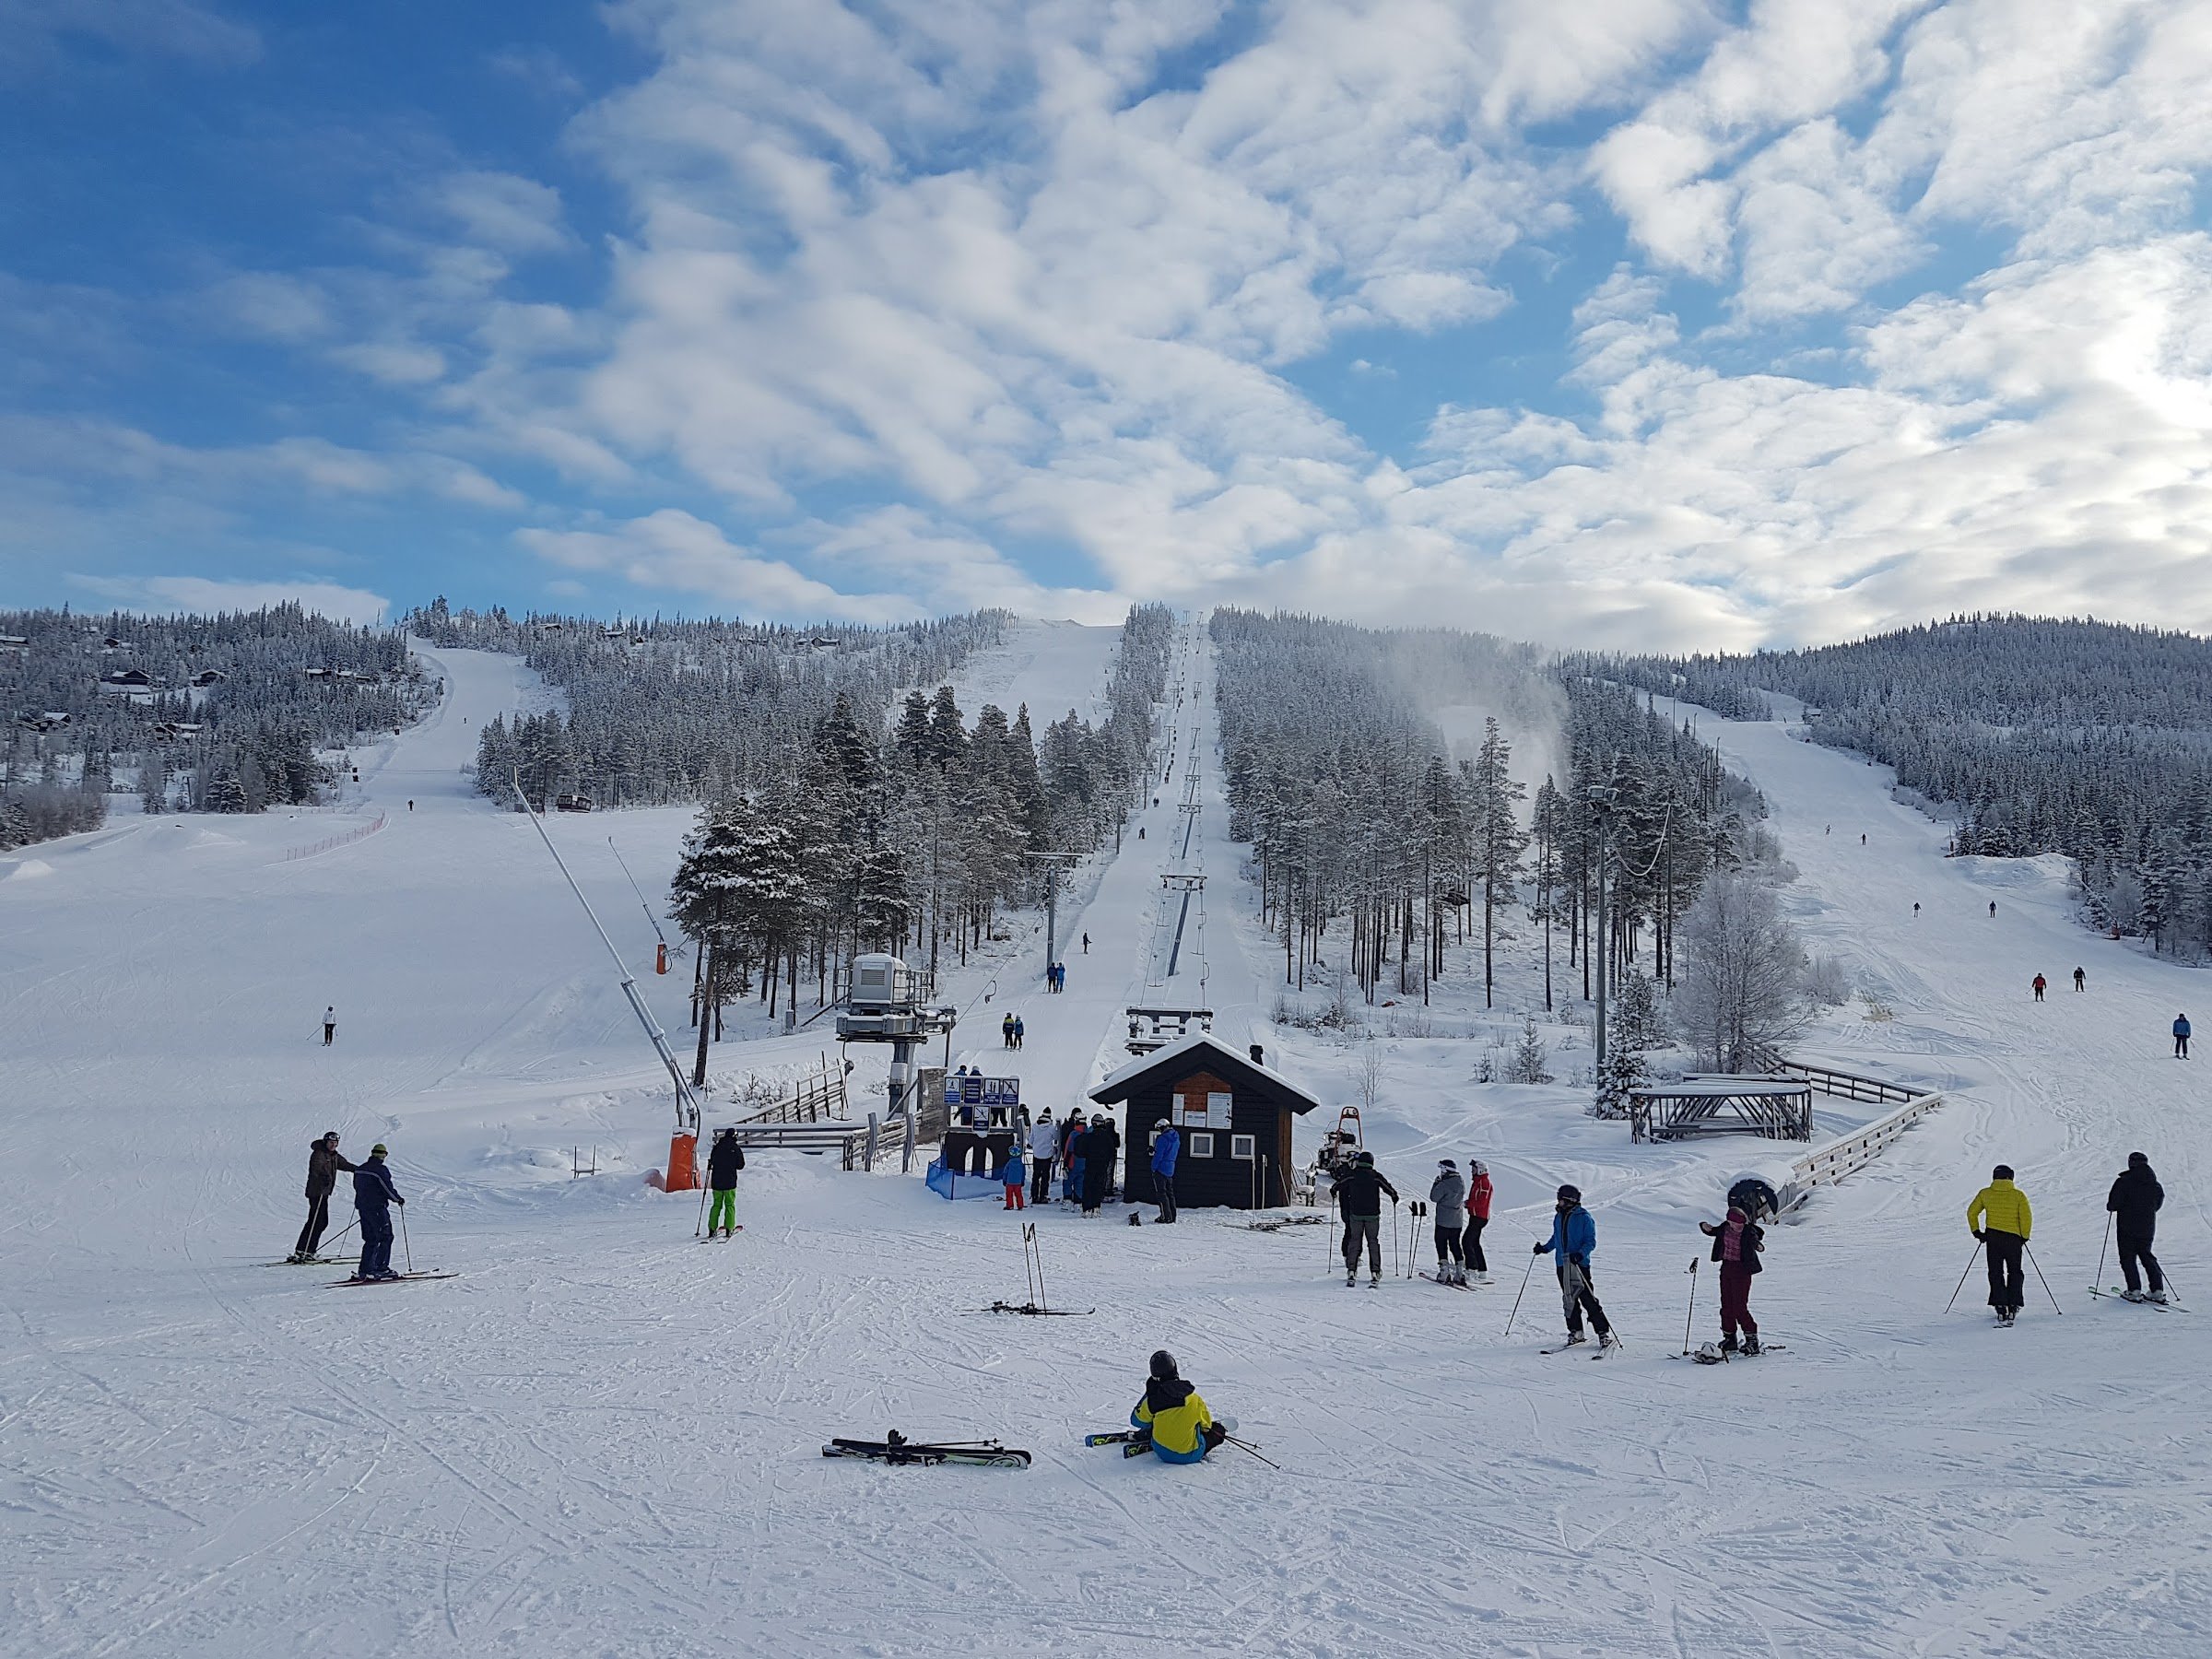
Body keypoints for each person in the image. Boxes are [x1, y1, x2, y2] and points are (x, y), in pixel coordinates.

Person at [1534, 1184, 1615, 1348]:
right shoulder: (1559, 1217)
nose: (1558, 1202)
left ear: (1569, 1200)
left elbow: (1590, 1241)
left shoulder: (1584, 1217)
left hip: (1578, 1265)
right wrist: (1544, 1248)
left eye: (1561, 1199)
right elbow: (1556, 1237)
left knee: (1588, 1299)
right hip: (1561, 1264)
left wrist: (1580, 1254)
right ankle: (1576, 1331)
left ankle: (1603, 1332)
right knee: (1569, 1300)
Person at [1131, 1349, 1224, 1464]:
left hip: (1161, 1451)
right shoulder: (1194, 1399)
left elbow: (1136, 1421)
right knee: (1217, 1431)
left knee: (1154, 1419)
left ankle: (1153, 1436)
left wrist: (1149, 1393)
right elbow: (1206, 1427)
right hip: (1190, 1455)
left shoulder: (1154, 1400)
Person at [1968, 1164, 2031, 1324]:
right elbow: (2026, 1217)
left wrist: (1977, 1232)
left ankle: (2000, 1304)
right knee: (2015, 1272)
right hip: (2014, 1239)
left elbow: (1971, 1212)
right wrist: (2024, 1236)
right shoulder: (2018, 1196)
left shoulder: (1985, 1194)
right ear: (2011, 1177)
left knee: (1995, 1272)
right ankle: (2014, 1303)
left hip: (1993, 1238)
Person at [1699, 1203, 1765, 1354]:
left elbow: (1754, 1240)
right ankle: (1730, 1338)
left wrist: (1758, 1246)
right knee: (1726, 1305)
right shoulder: (1725, 1228)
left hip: (1742, 1270)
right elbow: (1713, 1232)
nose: (1737, 1227)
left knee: (1740, 1307)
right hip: (1727, 1267)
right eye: (1734, 1223)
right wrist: (1705, 1226)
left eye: (1740, 1224)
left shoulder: (1748, 1231)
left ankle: (1752, 1340)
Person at [2107, 1152, 2166, 1303]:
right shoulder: (2155, 1184)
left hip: (2126, 1226)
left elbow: (2113, 1204)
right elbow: (2157, 1204)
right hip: (2147, 1226)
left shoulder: (2124, 1181)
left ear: (2131, 1163)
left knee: (2128, 1258)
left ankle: (2134, 1290)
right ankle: (2157, 1290)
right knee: (2147, 1255)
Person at [1334, 1150, 1397, 1287]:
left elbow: (1337, 1186)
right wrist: (1394, 1196)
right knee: (1373, 1242)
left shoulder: (1352, 1175)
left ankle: (1351, 1270)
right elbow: (1389, 1189)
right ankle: (1375, 1271)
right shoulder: (1375, 1176)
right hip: (1372, 1215)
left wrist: (1334, 1191)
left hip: (1355, 1214)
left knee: (1355, 1241)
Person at [291, 1131, 357, 1262]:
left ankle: (305, 1250)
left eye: (336, 1143)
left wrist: (360, 1170)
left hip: (324, 1193)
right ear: (325, 1142)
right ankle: (305, 1251)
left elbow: (345, 1165)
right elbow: (316, 1168)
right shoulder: (319, 1154)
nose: (334, 1145)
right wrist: (324, 1177)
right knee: (318, 1221)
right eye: (331, 1142)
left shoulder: (333, 1155)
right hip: (317, 1192)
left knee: (318, 1221)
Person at [352, 1144, 404, 1280]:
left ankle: (365, 1269)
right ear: (383, 1155)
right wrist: (397, 1199)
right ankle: (380, 1268)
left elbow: (356, 1187)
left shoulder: (360, 1169)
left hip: (363, 1207)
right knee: (385, 1236)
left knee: (370, 1238)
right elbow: (387, 1188)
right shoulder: (380, 1170)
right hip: (377, 1208)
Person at [1429, 1159, 1467, 1283]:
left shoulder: (1445, 1184)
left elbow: (1434, 1197)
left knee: (1441, 1243)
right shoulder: (1460, 1181)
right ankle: (1460, 1271)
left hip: (1443, 1220)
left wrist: (1436, 1183)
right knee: (1455, 1244)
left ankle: (1444, 1271)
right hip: (1457, 1220)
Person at [706, 1126, 745, 1237]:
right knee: (729, 1205)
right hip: (730, 1182)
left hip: (716, 1182)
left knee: (716, 1205)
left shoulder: (717, 1147)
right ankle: (729, 1228)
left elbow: (712, 1161)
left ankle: (712, 1229)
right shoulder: (735, 1148)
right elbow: (740, 1165)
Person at [1081, 1113, 1121, 1216]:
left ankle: (1087, 1208)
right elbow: (1112, 1150)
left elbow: (1081, 1151)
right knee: (1099, 1185)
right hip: (1102, 1164)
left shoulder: (1089, 1137)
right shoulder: (1108, 1138)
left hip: (1090, 1164)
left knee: (1088, 1185)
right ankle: (1096, 1207)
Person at [1463, 1159, 1492, 1281]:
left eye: (1474, 1169)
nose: (1472, 1171)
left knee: (1466, 1241)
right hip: (1475, 1216)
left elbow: (1481, 1202)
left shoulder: (1484, 1183)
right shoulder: (1478, 1182)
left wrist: (1467, 1204)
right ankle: (1482, 1270)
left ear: (1480, 1170)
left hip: (1480, 1217)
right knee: (1474, 1243)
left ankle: (1472, 1269)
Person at [1151, 1121, 1182, 1224]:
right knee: (1170, 1193)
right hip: (1170, 1168)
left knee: (1161, 1194)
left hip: (1160, 1168)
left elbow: (1158, 1155)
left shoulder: (1162, 1139)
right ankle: (1172, 1216)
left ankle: (1165, 1217)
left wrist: (1153, 1167)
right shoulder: (1176, 1138)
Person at [1028, 1109, 1056, 1206]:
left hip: (1036, 1155)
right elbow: (1056, 1138)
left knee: (1035, 1176)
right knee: (1045, 1176)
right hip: (1047, 1156)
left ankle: (1034, 1195)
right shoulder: (1051, 1128)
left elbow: (1030, 1141)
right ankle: (1043, 1196)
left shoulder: (1035, 1126)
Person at [1064, 1115, 1088, 1206]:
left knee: (1068, 1181)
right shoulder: (1088, 1133)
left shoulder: (1073, 1134)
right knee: (1080, 1182)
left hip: (1073, 1162)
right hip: (1084, 1162)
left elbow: (1068, 1149)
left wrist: (1065, 1164)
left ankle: (1067, 1201)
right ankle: (1078, 1202)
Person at [1000, 1142, 1026, 1210]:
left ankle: (1010, 1205)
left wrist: (1004, 1180)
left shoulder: (1009, 1163)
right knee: (1019, 1195)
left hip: (1009, 1182)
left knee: (1009, 1195)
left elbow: (1005, 1172)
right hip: (1018, 1183)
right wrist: (1022, 1181)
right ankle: (1020, 1206)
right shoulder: (1021, 1164)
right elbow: (1023, 1173)